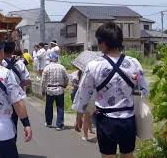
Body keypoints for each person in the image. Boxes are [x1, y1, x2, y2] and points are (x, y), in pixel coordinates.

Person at [72, 22, 148, 158]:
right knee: (128, 155)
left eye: (99, 41)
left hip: (106, 121)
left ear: (104, 43)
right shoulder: (134, 63)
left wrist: (79, 116)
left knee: (107, 156)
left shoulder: (94, 66)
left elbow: (83, 94)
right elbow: (144, 90)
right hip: (129, 120)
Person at [2, 41, 31, 142]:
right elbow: (27, 81)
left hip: (1, 98)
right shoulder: (20, 63)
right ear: (13, 49)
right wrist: (18, 85)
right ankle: (12, 144)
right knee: (14, 122)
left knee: (2, 122)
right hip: (16, 98)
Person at [41, 52, 69, 130]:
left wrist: (43, 90)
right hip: (60, 89)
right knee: (60, 107)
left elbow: (43, 81)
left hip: (49, 90)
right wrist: (65, 85)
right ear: (57, 59)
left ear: (50, 59)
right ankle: (59, 125)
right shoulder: (62, 67)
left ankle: (49, 122)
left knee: (48, 107)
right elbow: (66, 78)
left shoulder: (47, 68)